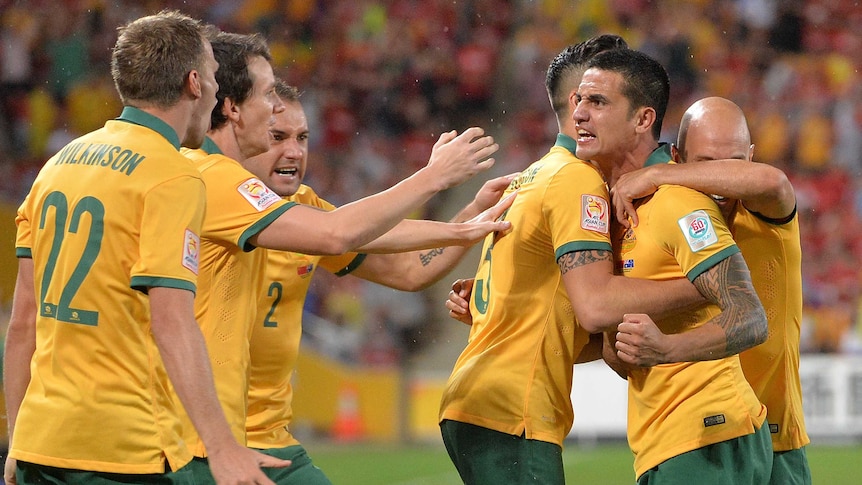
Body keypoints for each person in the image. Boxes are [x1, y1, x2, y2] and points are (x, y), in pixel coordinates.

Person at [177, 30, 511, 482]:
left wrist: (468, 220)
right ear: (235, 112)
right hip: (201, 439)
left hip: (268, 439)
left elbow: (404, 266)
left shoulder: (302, 209)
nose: (293, 151)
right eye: (277, 133)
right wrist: (432, 178)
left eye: (303, 137)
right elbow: (339, 234)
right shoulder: (207, 180)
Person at [3, 10, 290, 485]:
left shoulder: (58, 164)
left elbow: (22, 321)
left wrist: (18, 440)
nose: (219, 94)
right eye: (216, 79)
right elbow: (172, 320)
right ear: (194, 83)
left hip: (42, 443)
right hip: (120, 449)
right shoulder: (172, 175)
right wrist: (222, 448)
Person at [438, 36, 707, 485]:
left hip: (481, 397)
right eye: (593, 95)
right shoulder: (574, 180)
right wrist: (701, 286)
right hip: (513, 407)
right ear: (576, 101)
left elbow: (553, 317)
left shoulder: (532, 176)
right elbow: (597, 305)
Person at [573, 49, 771, 483]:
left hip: (708, 437)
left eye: (598, 103)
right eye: (577, 101)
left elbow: (751, 317)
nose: (579, 115)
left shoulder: (678, 203)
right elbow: (623, 355)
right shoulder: (614, 211)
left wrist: (665, 350)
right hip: (668, 443)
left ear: (643, 120)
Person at [610, 96, 811, 485]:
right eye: (705, 162)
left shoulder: (765, 213)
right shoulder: (670, 222)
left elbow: (774, 181)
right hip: (710, 433)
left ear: (751, 157)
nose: (721, 176)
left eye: (735, 161)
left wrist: (661, 175)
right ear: (678, 154)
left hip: (776, 435)